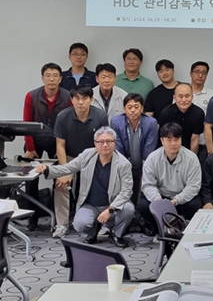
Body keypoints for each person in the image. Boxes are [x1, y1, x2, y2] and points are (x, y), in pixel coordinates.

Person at [35, 127, 134, 247]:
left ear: (115, 143)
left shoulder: (124, 164)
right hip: (90, 205)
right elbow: (68, 168)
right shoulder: (87, 155)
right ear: (95, 143)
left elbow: (126, 191)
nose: (105, 145)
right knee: (80, 224)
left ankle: (116, 234)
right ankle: (93, 231)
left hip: (111, 204)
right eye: (101, 141)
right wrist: (47, 169)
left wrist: (110, 209)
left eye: (109, 141)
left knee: (128, 209)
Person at [52, 85, 109, 238]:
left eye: (84, 98)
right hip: (70, 156)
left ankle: (100, 222)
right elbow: (60, 145)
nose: (81, 102)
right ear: (71, 100)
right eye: (77, 98)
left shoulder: (100, 116)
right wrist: (64, 171)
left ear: (91, 99)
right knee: (61, 184)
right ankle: (62, 224)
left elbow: (103, 143)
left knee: (98, 182)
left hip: (93, 156)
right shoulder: (63, 116)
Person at [22, 62, 71, 230]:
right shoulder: (31, 96)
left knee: (59, 178)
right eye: (48, 76)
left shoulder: (67, 97)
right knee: (31, 180)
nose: (51, 79)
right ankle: (32, 217)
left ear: (60, 78)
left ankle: (58, 218)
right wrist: (30, 148)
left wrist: (61, 148)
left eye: (55, 76)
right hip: (34, 141)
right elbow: (27, 123)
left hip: (58, 141)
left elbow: (68, 125)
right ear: (42, 78)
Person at [138, 122, 203, 231]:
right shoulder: (152, 158)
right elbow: (148, 185)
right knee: (143, 205)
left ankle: (184, 230)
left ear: (181, 140)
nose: (173, 143)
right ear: (162, 140)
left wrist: (176, 201)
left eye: (176, 139)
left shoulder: (191, 158)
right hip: (160, 196)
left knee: (195, 205)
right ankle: (159, 230)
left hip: (181, 197)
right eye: (169, 140)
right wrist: (159, 201)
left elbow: (193, 186)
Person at [110, 93, 158, 222]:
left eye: (136, 107)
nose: (133, 110)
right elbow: (118, 149)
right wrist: (125, 172)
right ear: (124, 109)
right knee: (125, 192)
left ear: (142, 108)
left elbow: (149, 150)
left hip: (144, 164)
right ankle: (125, 221)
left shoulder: (151, 123)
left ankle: (142, 221)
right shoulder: (116, 122)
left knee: (143, 193)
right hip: (124, 163)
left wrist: (145, 173)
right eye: (129, 107)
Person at [158, 83, 205, 154]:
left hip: (189, 150)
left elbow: (195, 138)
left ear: (192, 97)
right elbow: (165, 138)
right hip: (170, 148)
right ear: (174, 98)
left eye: (187, 96)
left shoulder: (198, 113)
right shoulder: (166, 113)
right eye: (180, 96)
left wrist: (192, 157)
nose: (184, 100)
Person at [190, 61, 213, 165]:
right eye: (197, 72)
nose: (200, 75)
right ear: (191, 73)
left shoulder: (212, 95)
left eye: (203, 73)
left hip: (204, 142)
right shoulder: (183, 92)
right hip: (185, 141)